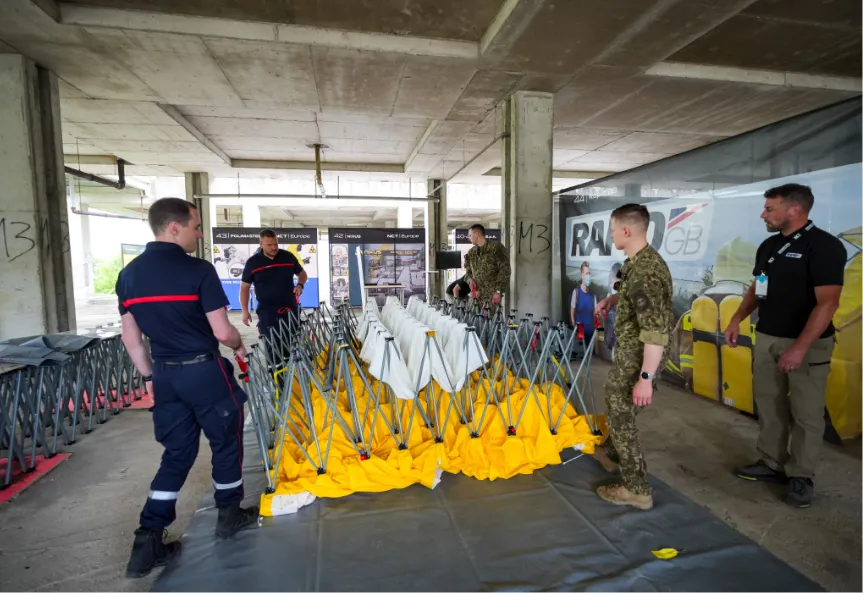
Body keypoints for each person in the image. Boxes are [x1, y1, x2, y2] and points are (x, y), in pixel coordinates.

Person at [115, 198, 258, 578]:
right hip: (204, 372)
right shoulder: (198, 270)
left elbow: (132, 339)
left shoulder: (128, 276)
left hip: (165, 375)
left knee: (176, 454)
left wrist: (150, 378)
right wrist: (238, 346)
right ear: (173, 227)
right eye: (195, 226)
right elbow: (222, 330)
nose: (199, 233)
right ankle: (229, 514)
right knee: (227, 440)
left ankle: (148, 540)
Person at [723, 183, 844, 508]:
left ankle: (801, 475)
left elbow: (827, 304)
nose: (764, 214)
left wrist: (800, 348)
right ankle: (772, 462)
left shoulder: (825, 247)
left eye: (769, 209)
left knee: (806, 413)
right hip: (768, 337)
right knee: (769, 402)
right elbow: (758, 288)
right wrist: (737, 319)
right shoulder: (768, 247)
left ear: (795, 209)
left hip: (808, 343)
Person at [593, 204, 674, 510]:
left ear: (626, 231)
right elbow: (640, 302)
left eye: (612, 229)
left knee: (620, 413)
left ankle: (636, 489)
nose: (611, 234)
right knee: (621, 409)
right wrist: (614, 299)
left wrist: (645, 379)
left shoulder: (645, 271)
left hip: (639, 356)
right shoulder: (639, 263)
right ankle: (612, 455)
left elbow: (655, 331)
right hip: (635, 352)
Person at [240, 229, 308, 339]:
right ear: (261, 244)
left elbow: (302, 274)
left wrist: (300, 285)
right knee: (272, 346)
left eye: (275, 244)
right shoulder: (253, 263)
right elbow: (244, 288)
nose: (274, 247)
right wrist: (245, 311)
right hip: (267, 312)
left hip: (290, 309)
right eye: (269, 245)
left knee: (294, 344)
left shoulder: (288, 257)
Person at [455, 224, 510, 307]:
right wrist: (470, 280)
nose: (468, 238)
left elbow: (505, 271)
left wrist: (498, 291)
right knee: (471, 319)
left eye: (470, 235)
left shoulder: (496, 248)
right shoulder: (471, 252)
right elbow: (468, 273)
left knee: (490, 319)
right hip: (475, 297)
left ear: (476, 234)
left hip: (491, 298)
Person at [570, 261, 597, 348]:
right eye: (586, 273)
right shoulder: (576, 292)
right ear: (582, 276)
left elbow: (596, 315)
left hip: (591, 337)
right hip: (580, 337)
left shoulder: (593, 295)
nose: (588, 276)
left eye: (589, 273)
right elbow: (572, 313)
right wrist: (575, 331)